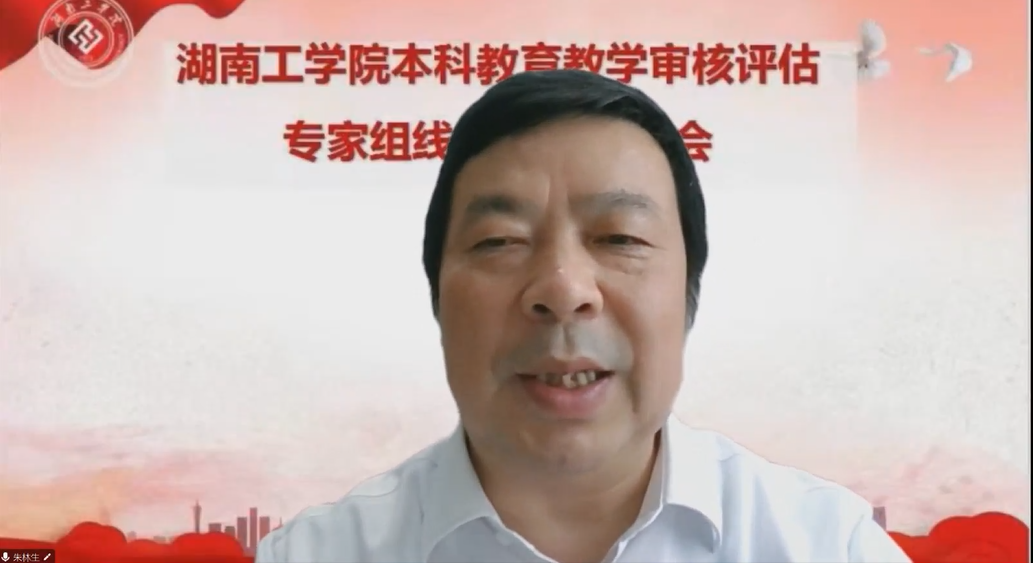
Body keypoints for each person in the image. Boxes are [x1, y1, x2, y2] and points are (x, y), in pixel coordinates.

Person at [256, 70, 912, 563]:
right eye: (499, 241)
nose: (564, 289)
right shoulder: (320, 553)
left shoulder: (827, 544)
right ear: (436, 297)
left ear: (690, 293)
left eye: (620, 238)